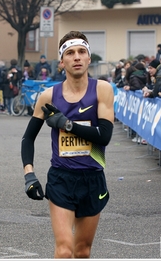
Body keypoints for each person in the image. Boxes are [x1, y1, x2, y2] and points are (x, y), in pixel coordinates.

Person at [20, 31, 114, 258]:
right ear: (62, 62)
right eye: (70, 53)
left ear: (89, 58)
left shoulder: (102, 89)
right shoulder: (48, 96)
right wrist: (29, 175)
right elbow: (27, 139)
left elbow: (105, 136)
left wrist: (67, 124)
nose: (77, 57)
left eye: (82, 52)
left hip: (93, 177)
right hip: (62, 178)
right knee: (64, 250)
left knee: (82, 251)